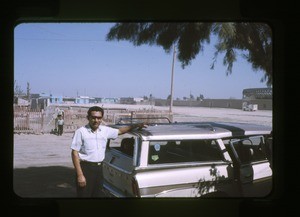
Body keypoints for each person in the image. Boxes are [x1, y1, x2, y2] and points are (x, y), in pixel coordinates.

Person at [70, 106, 146, 197]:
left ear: (101, 118)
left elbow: (120, 131)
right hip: (86, 169)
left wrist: (136, 125)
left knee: (97, 195)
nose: (96, 120)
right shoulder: (81, 132)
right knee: (84, 195)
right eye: (93, 117)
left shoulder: (105, 130)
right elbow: (74, 153)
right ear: (88, 118)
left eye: (99, 118)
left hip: (99, 169)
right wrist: (80, 175)